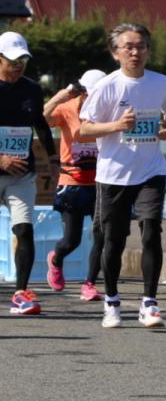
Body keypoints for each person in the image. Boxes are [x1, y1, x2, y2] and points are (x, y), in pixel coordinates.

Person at [79, 24, 166, 329]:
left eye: (141, 46)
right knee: (114, 240)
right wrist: (116, 125)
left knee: (151, 231)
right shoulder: (107, 86)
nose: (135, 52)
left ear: (148, 50)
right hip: (114, 175)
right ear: (116, 53)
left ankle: (149, 302)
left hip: (151, 170)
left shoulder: (161, 82)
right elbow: (84, 128)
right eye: (128, 47)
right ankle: (111, 301)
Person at [0, 31, 58, 315]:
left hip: (21, 174)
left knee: (24, 229)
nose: (18, 65)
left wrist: (55, 159)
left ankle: (20, 293)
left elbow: (41, 126)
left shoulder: (32, 89)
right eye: (12, 60)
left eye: (22, 59)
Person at [43, 69, 108, 302]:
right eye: (91, 94)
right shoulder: (67, 109)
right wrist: (62, 96)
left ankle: (89, 283)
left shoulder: (107, 111)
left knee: (102, 235)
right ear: (82, 92)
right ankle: (56, 258)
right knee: (72, 240)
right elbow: (41, 118)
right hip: (72, 182)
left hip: (101, 182)